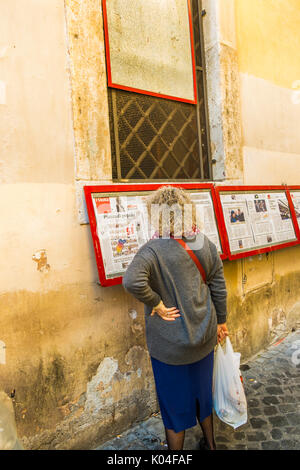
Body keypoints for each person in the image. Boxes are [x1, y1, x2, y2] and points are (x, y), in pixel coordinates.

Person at [122, 186, 228, 451]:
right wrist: (222, 321)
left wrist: (156, 304)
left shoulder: (152, 250)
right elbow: (218, 284)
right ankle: (211, 445)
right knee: (203, 396)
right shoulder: (200, 241)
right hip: (204, 336)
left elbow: (131, 280)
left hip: (170, 346)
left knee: (173, 406)